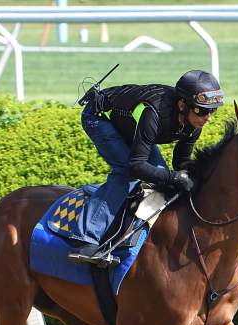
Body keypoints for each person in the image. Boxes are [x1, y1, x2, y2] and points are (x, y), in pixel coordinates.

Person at [67, 69, 225, 266]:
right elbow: (136, 166)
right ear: (182, 104)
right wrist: (175, 177)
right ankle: (85, 238)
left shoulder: (193, 124)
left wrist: (198, 178)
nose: (208, 117)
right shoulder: (154, 113)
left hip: (129, 125)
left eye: (212, 111)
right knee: (127, 172)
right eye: (202, 110)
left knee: (162, 177)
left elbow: (181, 162)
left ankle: (120, 219)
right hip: (99, 117)